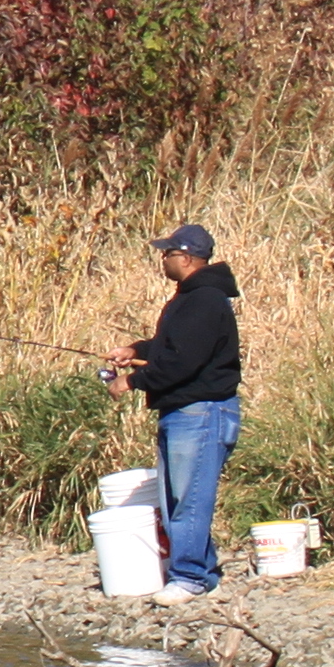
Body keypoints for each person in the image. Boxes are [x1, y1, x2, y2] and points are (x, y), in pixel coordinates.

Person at [109, 222, 245, 594]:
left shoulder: (204, 300)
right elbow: (171, 348)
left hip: (202, 414)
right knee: (175, 500)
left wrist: (132, 380)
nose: (162, 259)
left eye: (167, 253)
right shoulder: (189, 298)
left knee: (189, 500)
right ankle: (201, 571)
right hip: (184, 413)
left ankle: (189, 578)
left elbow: (183, 362)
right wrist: (136, 351)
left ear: (185, 258)